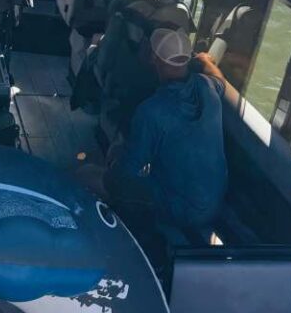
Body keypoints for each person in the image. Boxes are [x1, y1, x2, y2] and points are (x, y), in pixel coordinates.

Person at [77, 29, 227, 240]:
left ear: (154, 59)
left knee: (85, 175)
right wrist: (205, 60)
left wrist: (113, 161)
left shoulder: (152, 110)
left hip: (181, 208)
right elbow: (219, 79)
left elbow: (125, 174)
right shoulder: (207, 88)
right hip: (213, 202)